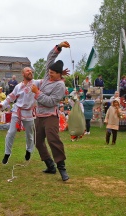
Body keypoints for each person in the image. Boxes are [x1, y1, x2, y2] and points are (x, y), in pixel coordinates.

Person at [31, 41, 70, 181]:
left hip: (50, 116)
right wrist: (59, 46)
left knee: (53, 140)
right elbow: (50, 58)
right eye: (49, 72)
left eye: (52, 73)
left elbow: (51, 102)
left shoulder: (60, 85)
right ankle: (50, 165)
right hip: (39, 116)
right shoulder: (48, 76)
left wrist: (37, 93)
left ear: (59, 74)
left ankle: (62, 168)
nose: (49, 74)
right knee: (37, 141)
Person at [0, 66, 36, 164]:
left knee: (30, 135)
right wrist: (1, 105)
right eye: (27, 71)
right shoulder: (18, 86)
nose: (30, 72)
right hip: (17, 111)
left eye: (31, 70)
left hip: (29, 113)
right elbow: (10, 97)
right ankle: (7, 153)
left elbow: (47, 80)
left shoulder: (37, 83)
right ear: (23, 74)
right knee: (11, 132)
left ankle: (29, 150)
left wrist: (59, 76)